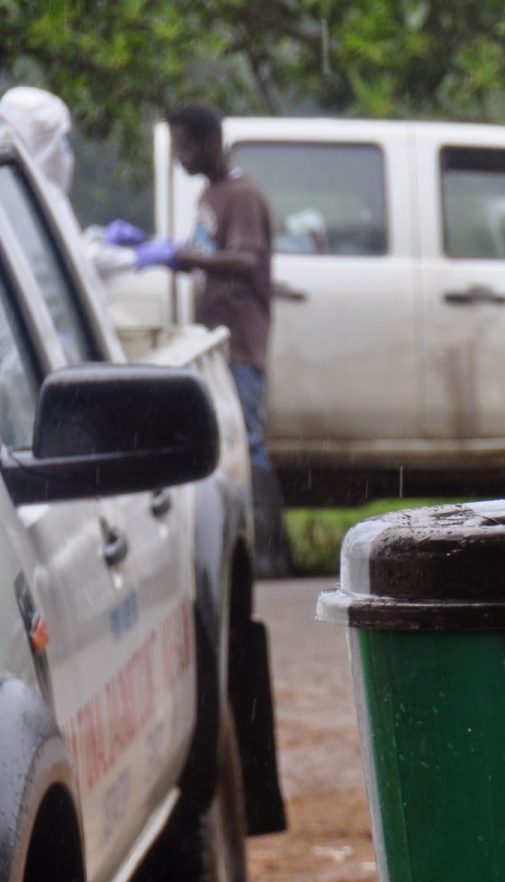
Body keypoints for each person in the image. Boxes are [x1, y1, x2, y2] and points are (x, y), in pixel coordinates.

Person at [138, 103, 290, 578]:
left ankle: (270, 556)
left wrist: (182, 255)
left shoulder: (241, 197)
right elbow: (204, 254)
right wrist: (157, 252)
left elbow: (245, 260)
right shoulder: (211, 195)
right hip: (216, 342)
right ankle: (249, 551)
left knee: (249, 442)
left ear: (208, 141)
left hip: (240, 340)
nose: (181, 158)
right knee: (230, 443)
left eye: (184, 147)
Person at [0, 86, 142, 281]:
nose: (65, 152)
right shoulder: (20, 198)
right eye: (59, 140)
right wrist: (138, 257)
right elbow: (72, 263)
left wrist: (97, 240)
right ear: (41, 142)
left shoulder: (41, 194)